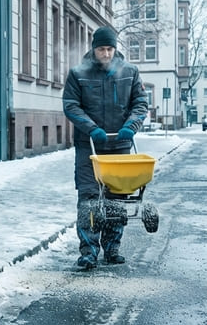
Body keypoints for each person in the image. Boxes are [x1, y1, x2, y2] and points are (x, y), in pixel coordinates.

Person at [63, 26, 148, 269]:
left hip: (119, 143)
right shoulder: (78, 73)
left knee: (117, 198)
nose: (107, 54)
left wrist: (131, 126)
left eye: (110, 49)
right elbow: (70, 105)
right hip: (88, 146)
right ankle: (88, 252)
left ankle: (112, 249)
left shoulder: (130, 72)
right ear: (94, 48)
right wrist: (91, 128)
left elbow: (140, 103)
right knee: (89, 197)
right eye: (102, 49)